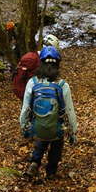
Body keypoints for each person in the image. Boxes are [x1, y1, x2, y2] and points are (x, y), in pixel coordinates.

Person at [19, 46, 77, 180]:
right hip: (57, 129)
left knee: (41, 135)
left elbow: (26, 108)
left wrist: (23, 127)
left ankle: (35, 162)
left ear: (41, 63)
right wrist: (73, 132)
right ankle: (51, 171)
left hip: (37, 128)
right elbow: (69, 111)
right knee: (56, 144)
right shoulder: (63, 85)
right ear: (57, 64)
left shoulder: (32, 83)